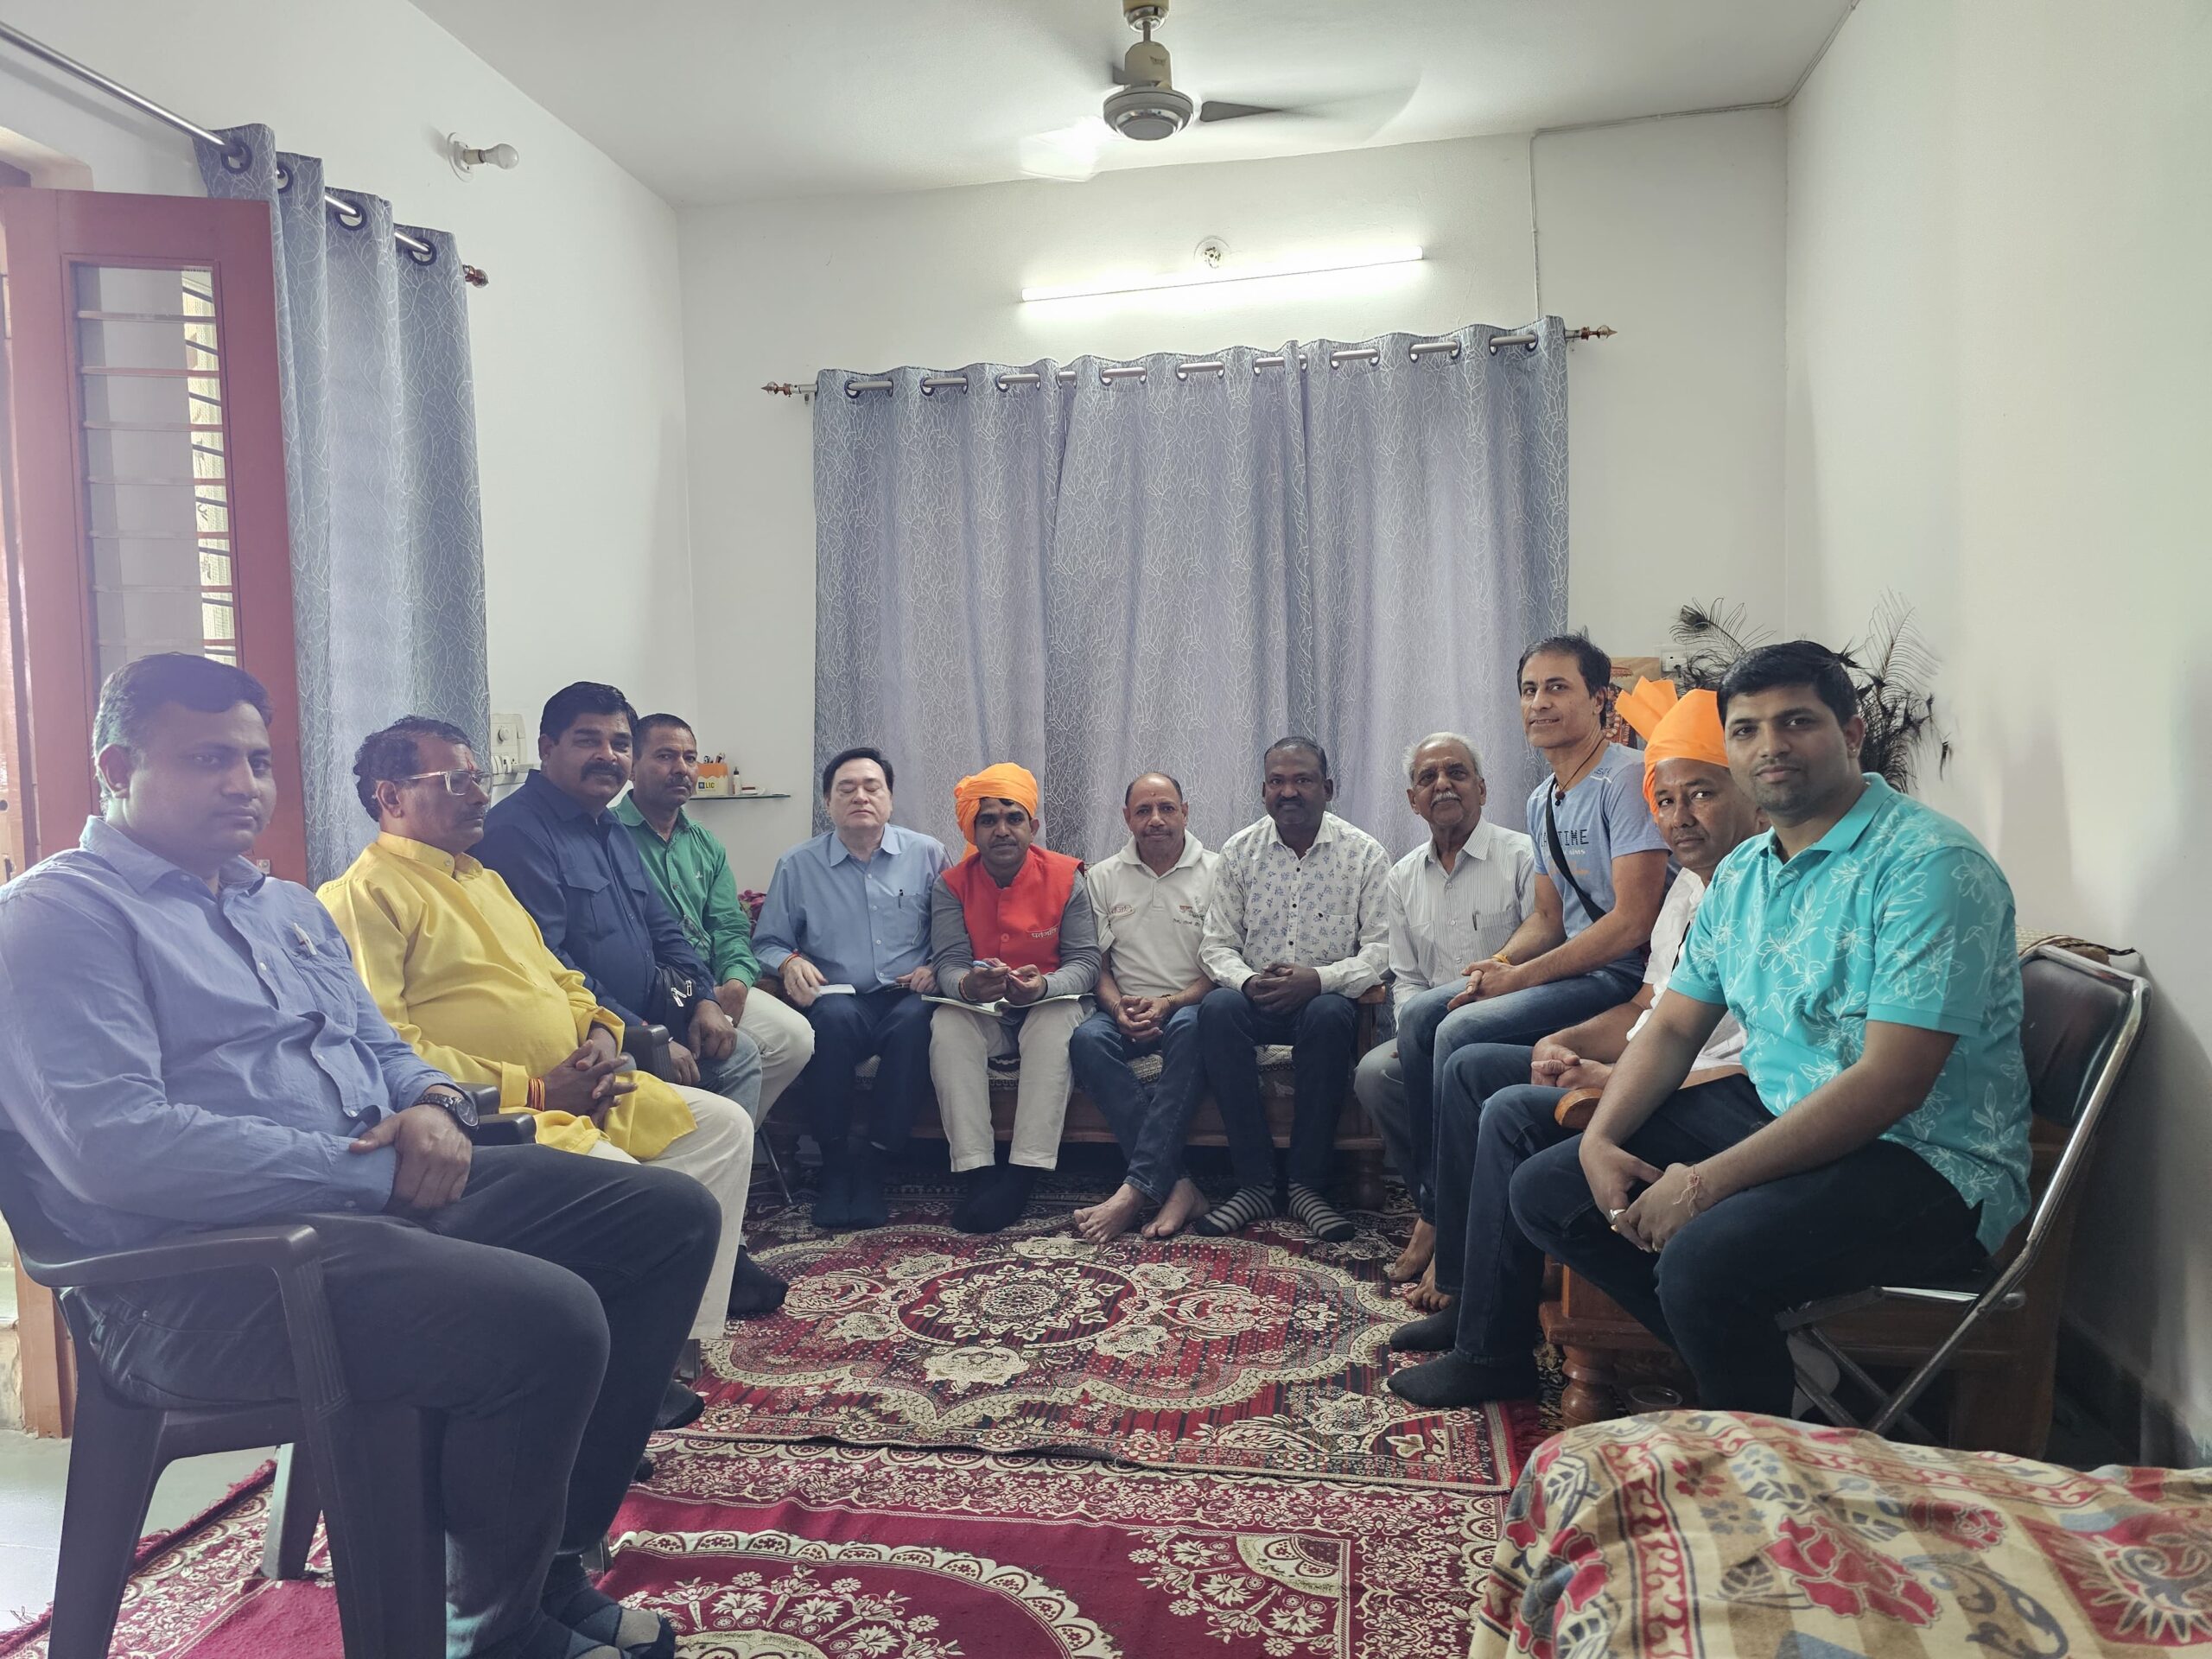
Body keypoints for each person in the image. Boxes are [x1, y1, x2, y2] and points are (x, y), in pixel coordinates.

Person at [0, 654, 709, 1659]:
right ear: (117, 768)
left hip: (366, 1205)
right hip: (203, 1276)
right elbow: (118, 1150)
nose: (244, 785)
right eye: (207, 760)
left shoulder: (282, 907)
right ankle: (495, 1631)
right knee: (548, 1316)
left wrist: (432, 1104)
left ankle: (545, 1566)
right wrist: (374, 1170)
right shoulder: (56, 918)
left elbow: (384, 1048)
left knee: (665, 1220)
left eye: (257, 761)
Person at [1508, 642, 2031, 1415]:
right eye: (1746, 730)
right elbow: (1673, 1026)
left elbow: (1893, 1081)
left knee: (1701, 1262)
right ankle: (1780, 1374)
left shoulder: (1929, 866)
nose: (1770, 746)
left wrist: (1703, 1185)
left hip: (1925, 1158)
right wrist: (1599, 1139)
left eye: (1797, 722)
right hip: (1782, 1109)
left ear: (1851, 734)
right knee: (1548, 1190)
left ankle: (1759, 1455)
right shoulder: (1746, 871)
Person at [321, 715, 777, 1367]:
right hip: (504, 1110)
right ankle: (617, 1357)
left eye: (477, 778)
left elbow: (560, 977)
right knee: (644, 1198)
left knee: (723, 1129)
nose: (480, 795)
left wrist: (600, 1031)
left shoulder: (483, 878)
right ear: (390, 796)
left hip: (586, 1083)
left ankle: (675, 1339)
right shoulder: (364, 895)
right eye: (455, 782)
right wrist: (536, 1089)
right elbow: (390, 1047)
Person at [1386, 683, 1760, 1405]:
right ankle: (1466, 1295)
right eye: (1667, 800)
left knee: (1502, 1103)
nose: (1678, 818)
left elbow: (1731, 1056)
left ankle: (1492, 1351)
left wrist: (1607, 1076)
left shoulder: (1760, 892)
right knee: (1471, 1068)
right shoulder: (1689, 892)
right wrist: (1563, 1042)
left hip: (1706, 1092)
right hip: (1650, 1066)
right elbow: (1649, 1010)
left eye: (1702, 795)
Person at [474, 682, 781, 1310]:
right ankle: (683, 1246)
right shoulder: (517, 833)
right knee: (717, 1079)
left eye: (618, 743)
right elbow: (550, 961)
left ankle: (713, 1236)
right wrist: (643, 1031)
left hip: (653, 1009)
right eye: (588, 740)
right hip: (595, 1032)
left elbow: (665, 930)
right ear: (546, 747)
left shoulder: (609, 826)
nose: (607, 756)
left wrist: (703, 1000)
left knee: (738, 1052)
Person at [1391, 634, 1669, 1258]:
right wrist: (1499, 963)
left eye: (1557, 687)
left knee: (1459, 1031)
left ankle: (1454, 1240)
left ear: (1600, 700)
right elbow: (1548, 918)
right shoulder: (1543, 798)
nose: (1539, 702)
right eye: (1528, 690)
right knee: (1421, 1013)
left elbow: (1633, 921)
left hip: (1628, 977)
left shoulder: (1627, 779)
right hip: (1580, 973)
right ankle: (1434, 1206)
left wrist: (1518, 980)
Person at [1355, 734, 1536, 1303]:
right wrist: (1416, 1029)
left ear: (1481, 788)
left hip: (1509, 1021)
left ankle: (1447, 1225)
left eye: (1456, 773)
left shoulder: (1523, 857)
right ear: (1413, 800)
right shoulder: (1403, 876)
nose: (1443, 785)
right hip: (1429, 1029)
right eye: (1428, 778)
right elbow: (1406, 978)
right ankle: (1433, 1207)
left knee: (1457, 1061)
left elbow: (1547, 957)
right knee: (1374, 1075)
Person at [1193, 737, 1391, 1243]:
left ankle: (1307, 1186)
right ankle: (1255, 1184)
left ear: (1328, 788)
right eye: (1277, 781)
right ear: (1263, 791)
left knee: (1329, 1013)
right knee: (1216, 1008)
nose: (1289, 791)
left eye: (1302, 779)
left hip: (1323, 1004)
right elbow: (1216, 945)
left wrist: (1318, 980)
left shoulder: (1364, 854)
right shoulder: (1240, 851)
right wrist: (1248, 981)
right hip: (1255, 1000)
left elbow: (1382, 950)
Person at [752, 747, 946, 1230]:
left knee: (915, 1025)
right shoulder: (798, 865)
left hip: (907, 993)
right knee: (831, 1023)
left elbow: (956, 929)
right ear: (827, 802)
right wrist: (790, 961)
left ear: (890, 798)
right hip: (838, 996)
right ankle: (836, 1166)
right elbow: (768, 941)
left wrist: (937, 964)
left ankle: (875, 1164)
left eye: (872, 787)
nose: (861, 796)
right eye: (847, 788)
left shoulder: (928, 854)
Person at [613, 713, 817, 1116]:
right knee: (737, 1052)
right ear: (632, 765)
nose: (682, 769)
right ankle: (707, 1127)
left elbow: (729, 926)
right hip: (658, 990)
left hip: (714, 981)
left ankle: (727, 1129)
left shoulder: (706, 844)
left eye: (690, 758)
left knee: (794, 1039)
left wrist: (737, 981)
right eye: (666, 756)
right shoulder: (610, 835)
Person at [928, 762, 1099, 1234]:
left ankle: (1024, 1171)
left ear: (1033, 826)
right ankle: (977, 1171)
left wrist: (1043, 987)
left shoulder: (1067, 877)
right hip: (986, 1012)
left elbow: (1086, 962)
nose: (1001, 830)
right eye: (988, 820)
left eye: (1013, 817)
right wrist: (968, 985)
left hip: (1049, 1005)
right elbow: (948, 963)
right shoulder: (951, 885)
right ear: (972, 831)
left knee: (1052, 1019)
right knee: (947, 1022)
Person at [1066, 772, 1220, 1243]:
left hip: (1189, 1004)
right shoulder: (1102, 877)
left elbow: (1222, 965)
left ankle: (1135, 1190)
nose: (1156, 819)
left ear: (1185, 813)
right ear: (1126, 818)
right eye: (1144, 810)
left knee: (1195, 1028)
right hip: (1125, 1009)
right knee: (1086, 1039)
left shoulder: (1219, 871)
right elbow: (1098, 966)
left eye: (1167, 808)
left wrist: (1168, 1004)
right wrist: (1117, 1010)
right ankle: (1178, 1185)